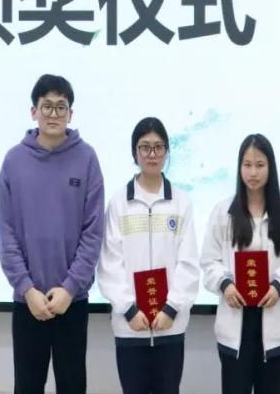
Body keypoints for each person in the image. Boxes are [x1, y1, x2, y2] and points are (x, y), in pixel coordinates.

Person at [0, 74, 105, 394]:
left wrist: (70, 288)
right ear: (34, 111)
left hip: (72, 301)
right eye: (47, 106)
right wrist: (27, 289)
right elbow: (6, 233)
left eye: (61, 107)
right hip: (27, 302)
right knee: (27, 386)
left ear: (70, 114)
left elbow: (93, 232)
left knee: (72, 386)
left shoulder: (87, 158)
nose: (54, 114)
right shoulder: (14, 161)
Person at [97, 117, 200, 394]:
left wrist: (171, 308)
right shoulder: (119, 203)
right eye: (145, 147)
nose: (152, 154)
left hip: (170, 326)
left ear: (167, 151)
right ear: (135, 152)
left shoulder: (181, 202)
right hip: (130, 326)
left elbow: (188, 263)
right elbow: (109, 263)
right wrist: (129, 310)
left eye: (158, 147)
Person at [200, 133, 280, 394]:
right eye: (247, 165)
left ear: (271, 168)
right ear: (239, 168)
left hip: (273, 327)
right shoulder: (223, 213)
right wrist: (225, 285)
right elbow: (209, 260)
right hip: (235, 327)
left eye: (260, 165)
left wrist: (278, 286)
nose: (253, 172)